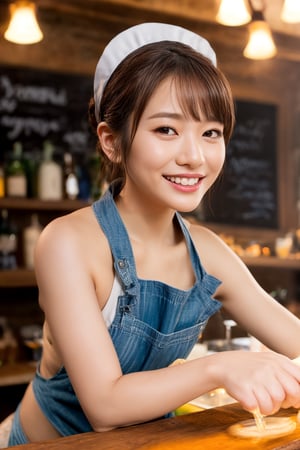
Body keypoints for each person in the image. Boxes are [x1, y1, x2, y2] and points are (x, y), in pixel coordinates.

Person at [7, 22, 300, 446]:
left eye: (211, 132)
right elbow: (105, 407)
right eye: (166, 129)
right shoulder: (67, 243)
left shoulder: (208, 253)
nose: (194, 156)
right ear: (111, 141)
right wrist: (222, 367)